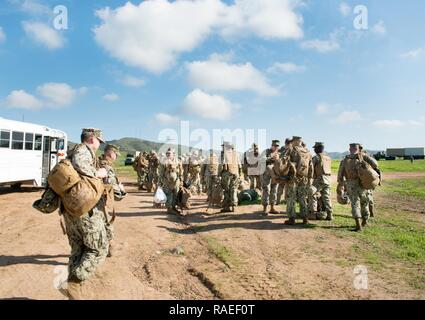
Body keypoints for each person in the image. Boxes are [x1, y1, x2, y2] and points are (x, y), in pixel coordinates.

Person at [63, 128, 109, 296]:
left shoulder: (71, 151)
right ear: (92, 139)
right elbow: (81, 166)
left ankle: (73, 290)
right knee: (99, 248)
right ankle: (75, 284)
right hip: (85, 211)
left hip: (71, 210)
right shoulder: (83, 151)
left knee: (78, 250)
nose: (99, 145)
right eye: (99, 141)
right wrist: (99, 173)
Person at [337, 143, 380, 231]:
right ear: (359, 149)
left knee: (355, 204)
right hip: (363, 183)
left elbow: (340, 175)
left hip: (351, 184)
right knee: (365, 203)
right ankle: (365, 221)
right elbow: (375, 164)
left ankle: (358, 225)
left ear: (349, 149)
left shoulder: (345, 160)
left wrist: (340, 185)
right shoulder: (363, 156)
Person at [98, 144, 126, 257]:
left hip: (88, 202)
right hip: (101, 202)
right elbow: (116, 193)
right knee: (107, 224)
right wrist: (122, 191)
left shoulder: (95, 162)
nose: (116, 157)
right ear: (110, 153)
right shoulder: (107, 168)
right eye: (116, 155)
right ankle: (110, 247)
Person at [284, 136, 314, 225]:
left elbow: (284, 161)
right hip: (304, 178)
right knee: (303, 198)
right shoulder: (308, 152)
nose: (291, 143)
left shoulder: (291, 150)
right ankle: (305, 218)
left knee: (291, 198)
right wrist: (309, 179)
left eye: (292, 141)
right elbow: (311, 167)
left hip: (293, 177)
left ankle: (291, 218)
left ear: (296, 141)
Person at [308, 142, 333, 220]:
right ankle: (330, 214)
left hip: (320, 179)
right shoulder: (328, 157)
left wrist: (310, 178)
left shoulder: (316, 157)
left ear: (318, 148)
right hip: (328, 179)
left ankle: (313, 213)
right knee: (327, 197)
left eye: (315, 148)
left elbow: (310, 168)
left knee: (312, 194)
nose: (314, 149)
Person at [158, 148, 183, 215]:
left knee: (176, 195)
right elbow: (161, 173)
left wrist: (181, 181)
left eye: (169, 153)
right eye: (167, 153)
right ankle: (169, 209)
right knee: (168, 195)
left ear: (173, 154)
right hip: (167, 182)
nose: (168, 154)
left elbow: (181, 171)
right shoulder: (163, 162)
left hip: (176, 182)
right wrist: (160, 182)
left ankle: (173, 207)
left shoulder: (178, 161)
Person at [220, 142, 242, 213]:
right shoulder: (236, 154)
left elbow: (221, 165)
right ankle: (234, 206)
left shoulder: (224, 154)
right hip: (236, 174)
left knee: (226, 190)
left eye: (223, 146)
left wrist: (219, 174)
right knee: (234, 189)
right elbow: (240, 166)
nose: (222, 148)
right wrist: (240, 174)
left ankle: (226, 207)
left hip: (227, 174)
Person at [260, 140, 280, 216]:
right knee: (266, 189)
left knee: (274, 189)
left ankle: (272, 208)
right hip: (266, 173)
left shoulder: (278, 153)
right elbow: (261, 160)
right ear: (271, 145)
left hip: (275, 173)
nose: (276, 147)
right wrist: (271, 159)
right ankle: (265, 209)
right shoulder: (266, 152)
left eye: (277, 146)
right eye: (274, 146)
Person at [276, 138, 292, 205]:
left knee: (281, 187)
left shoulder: (282, 151)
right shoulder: (292, 151)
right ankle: (286, 201)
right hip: (288, 172)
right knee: (287, 187)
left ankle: (278, 201)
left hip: (282, 172)